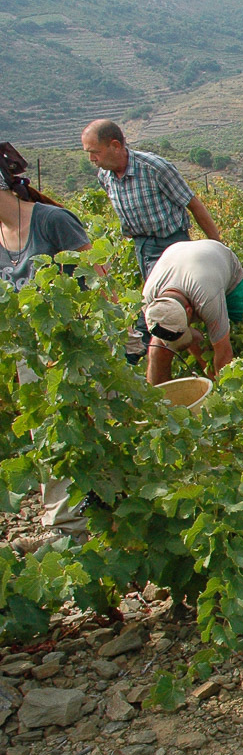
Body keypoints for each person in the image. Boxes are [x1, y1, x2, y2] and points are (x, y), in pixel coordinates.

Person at [2, 165, 102, 537]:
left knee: (92, 427)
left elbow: (98, 274)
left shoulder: (52, 221)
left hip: (78, 346)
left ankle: (105, 512)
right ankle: (66, 527)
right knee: (48, 434)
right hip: (30, 355)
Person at [81, 120, 221, 361]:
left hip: (172, 245)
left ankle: (200, 362)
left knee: (168, 312)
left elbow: (193, 204)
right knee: (165, 313)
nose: (92, 158)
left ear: (115, 145)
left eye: (95, 152)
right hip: (142, 247)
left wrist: (217, 246)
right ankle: (190, 356)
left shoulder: (154, 168)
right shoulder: (105, 177)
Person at [140, 239, 243, 386]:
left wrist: (222, 392)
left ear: (189, 310)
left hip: (217, 258)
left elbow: (224, 354)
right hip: (177, 254)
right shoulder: (149, 303)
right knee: (157, 350)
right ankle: (158, 398)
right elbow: (175, 336)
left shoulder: (207, 298)